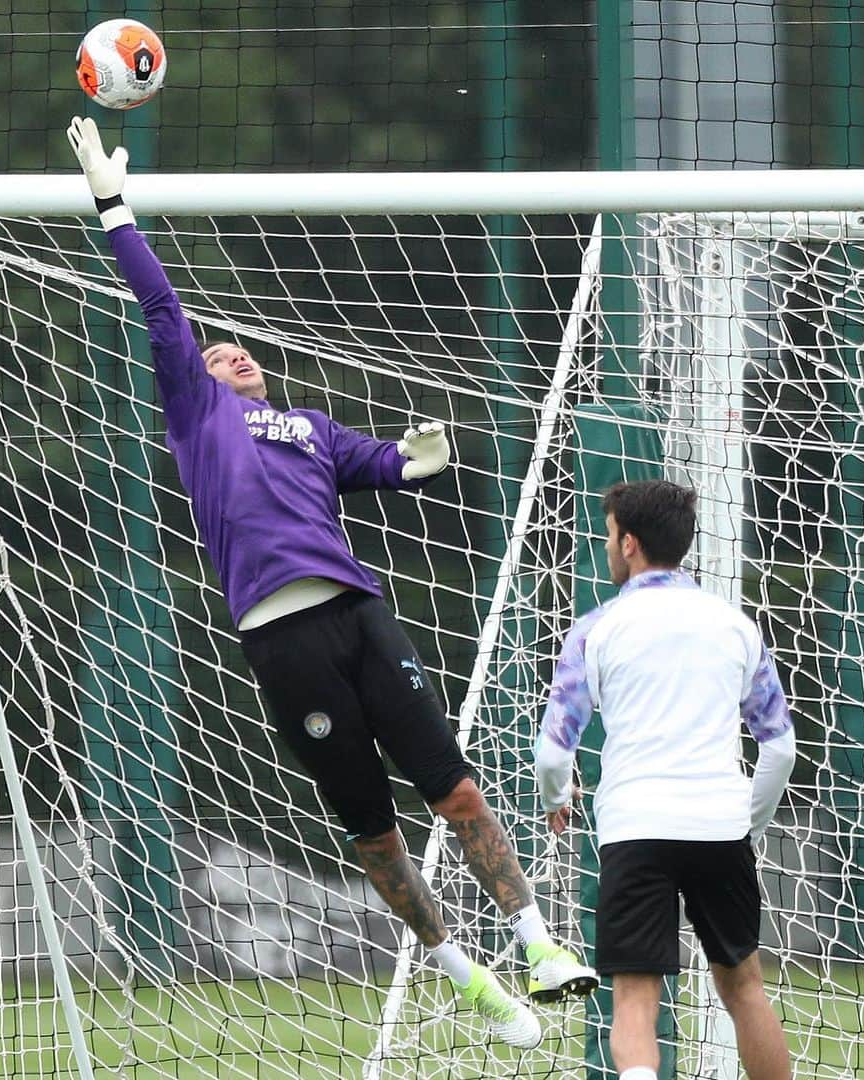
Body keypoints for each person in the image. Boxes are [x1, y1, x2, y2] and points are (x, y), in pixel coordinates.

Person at [68, 115, 596, 1049]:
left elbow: (391, 464)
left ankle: (539, 944)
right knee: (375, 833)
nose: (231, 354)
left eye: (241, 350)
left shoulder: (310, 429)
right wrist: (115, 209)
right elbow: (162, 311)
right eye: (218, 352)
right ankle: (465, 978)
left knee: (458, 792)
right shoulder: (198, 420)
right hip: (282, 642)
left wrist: (422, 456)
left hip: (358, 617)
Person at [536, 479, 796, 1080]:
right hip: (719, 829)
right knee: (745, 987)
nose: (606, 547)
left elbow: (554, 753)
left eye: (606, 535)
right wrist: (743, 818)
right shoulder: (736, 626)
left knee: (633, 998)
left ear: (628, 543)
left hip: (635, 828)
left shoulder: (596, 628)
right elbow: (779, 749)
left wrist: (556, 800)